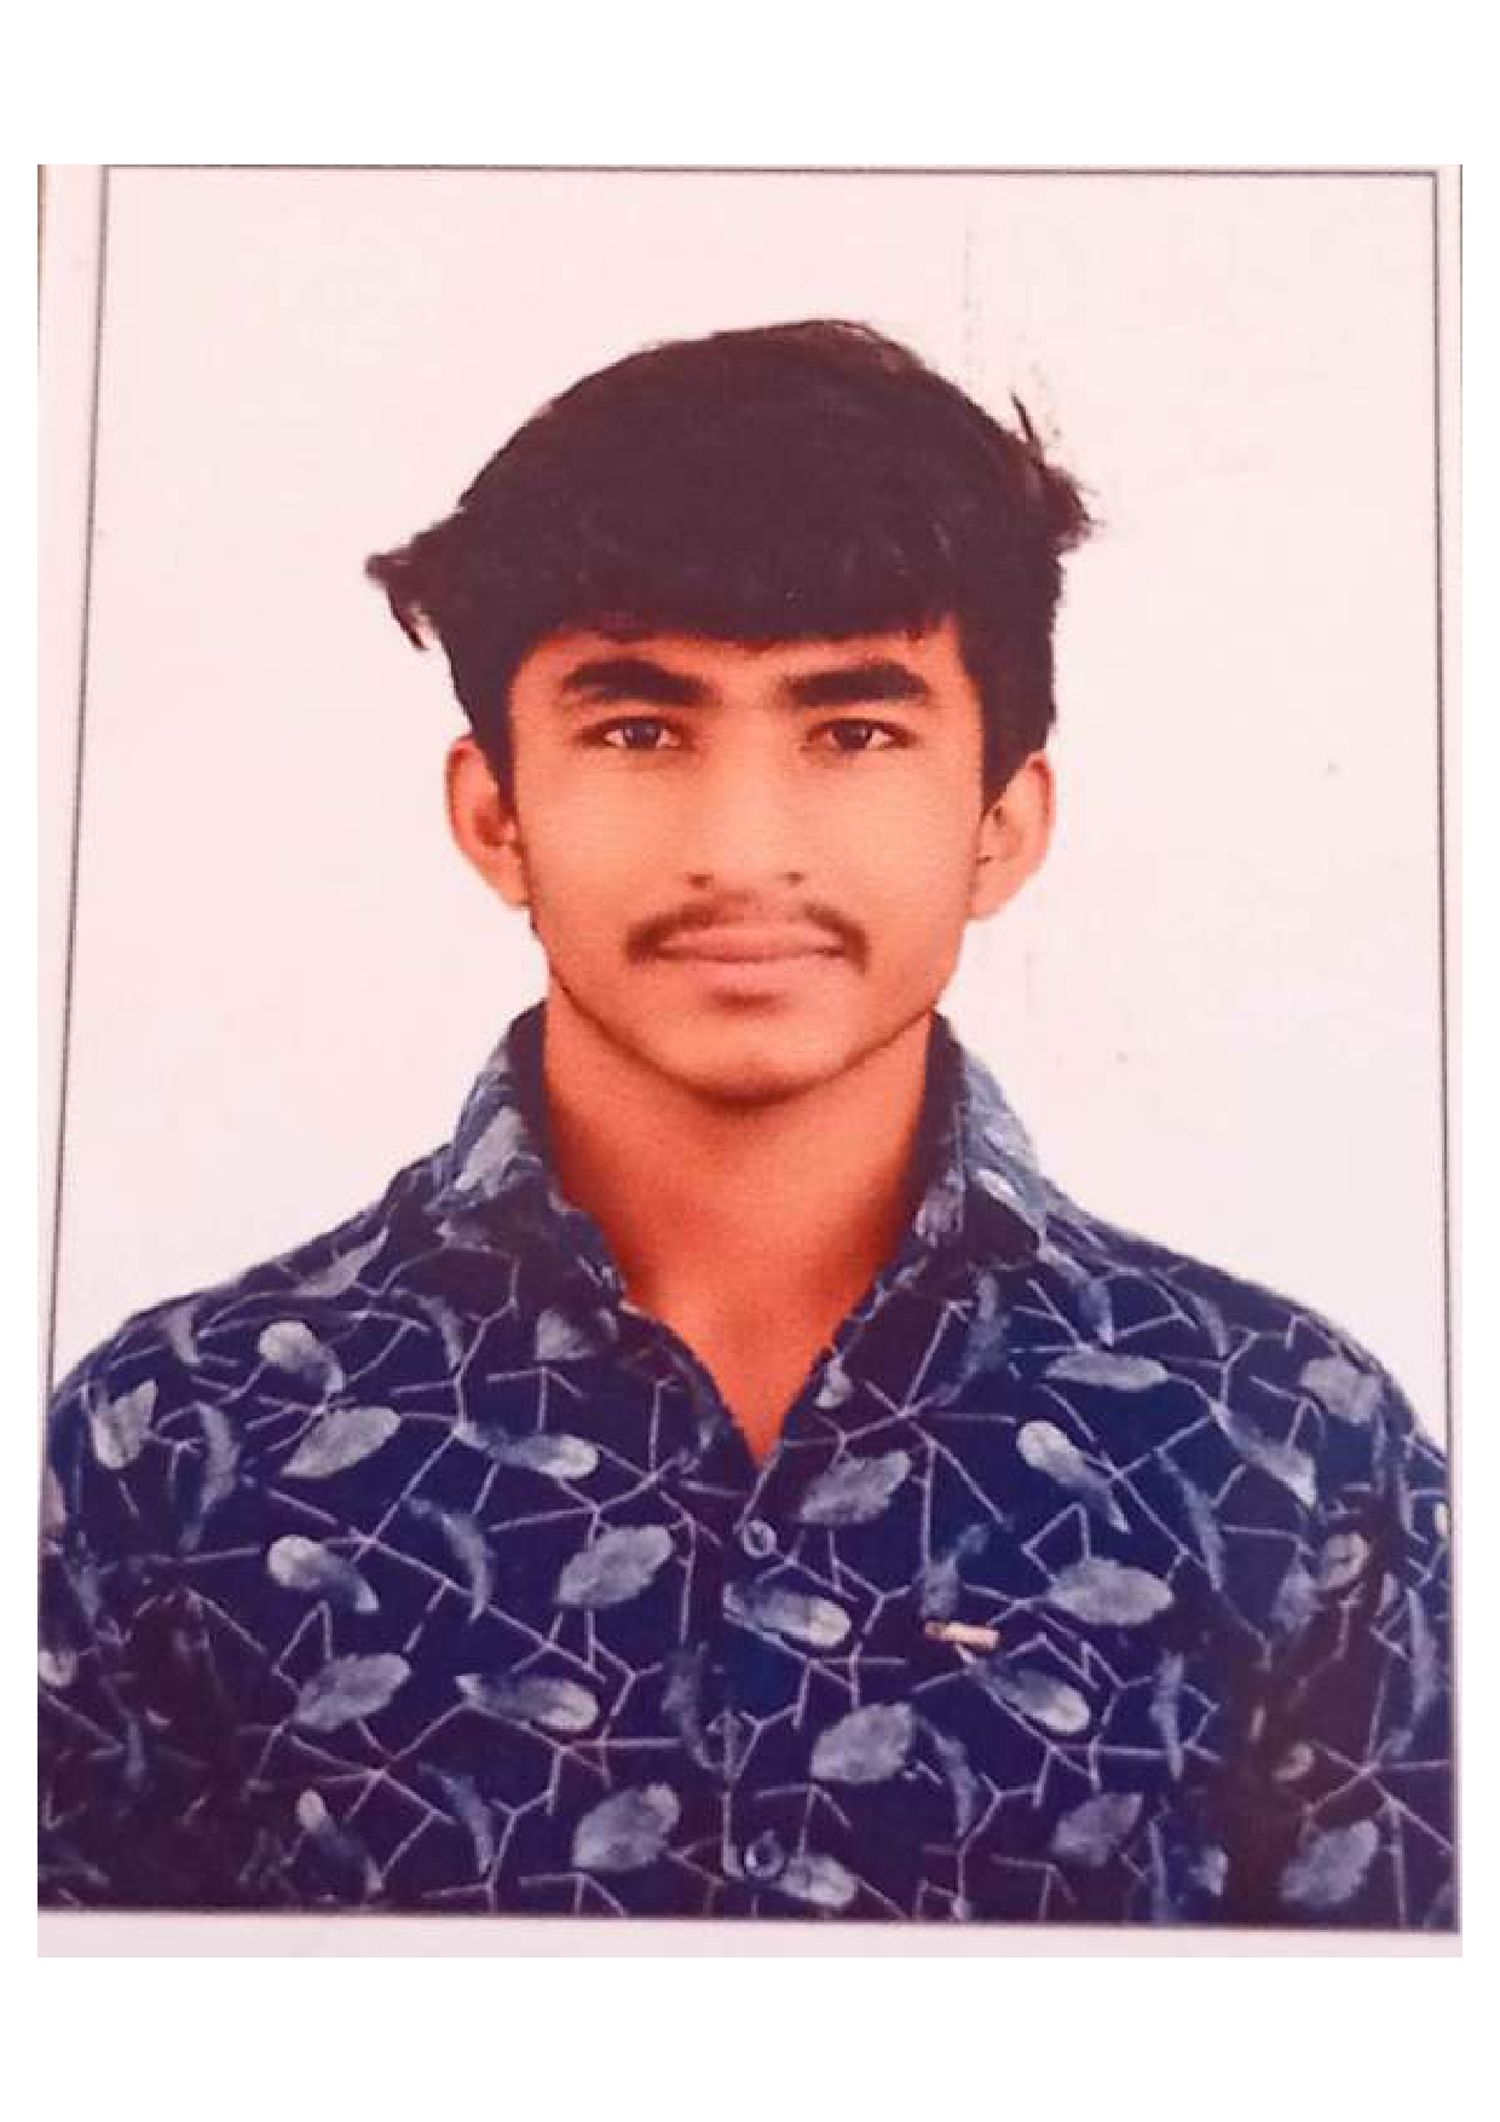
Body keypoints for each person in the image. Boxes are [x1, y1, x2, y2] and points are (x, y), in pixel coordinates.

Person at [39, 320, 1453, 1926]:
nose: (743, 845)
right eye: (640, 729)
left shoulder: (1284, 1445)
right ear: (496, 813)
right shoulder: (179, 1441)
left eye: (854, 730)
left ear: (1004, 823)